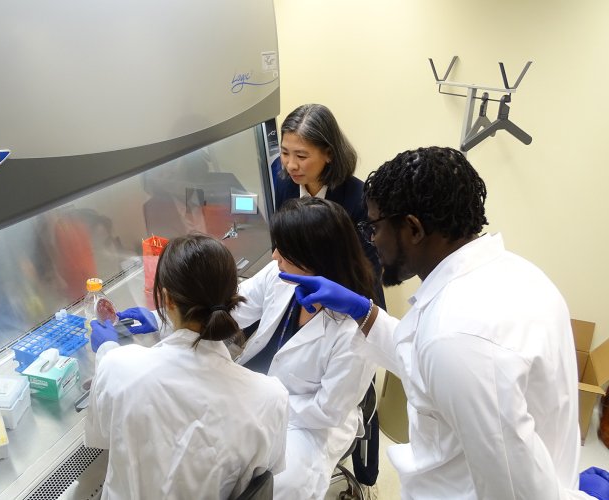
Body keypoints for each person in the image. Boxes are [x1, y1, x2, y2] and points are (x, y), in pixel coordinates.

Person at [281, 146, 591, 499]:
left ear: (412, 228)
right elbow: (430, 368)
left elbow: (515, 492)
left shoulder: (458, 338)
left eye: (375, 226)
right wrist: (363, 312)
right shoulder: (519, 274)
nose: (371, 239)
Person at [84, 233, 289, 500]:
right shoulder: (270, 398)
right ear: (233, 296)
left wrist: (106, 349)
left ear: (166, 299)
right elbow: (267, 470)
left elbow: (101, 437)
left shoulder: (118, 367)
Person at [232, 197, 377, 500]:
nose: (274, 257)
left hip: (308, 424)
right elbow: (235, 306)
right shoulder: (282, 274)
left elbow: (326, 411)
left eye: (283, 251)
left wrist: (264, 401)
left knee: (279, 485)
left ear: (315, 258)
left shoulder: (355, 330)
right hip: (254, 392)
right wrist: (169, 316)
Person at [272, 102, 383, 488]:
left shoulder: (357, 198)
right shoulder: (282, 179)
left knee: (350, 375)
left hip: (350, 294)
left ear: (328, 154)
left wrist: (345, 298)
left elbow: (367, 265)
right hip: (305, 289)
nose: (291, 165)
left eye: (301, 155)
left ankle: (366, 471)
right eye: (285, 153)